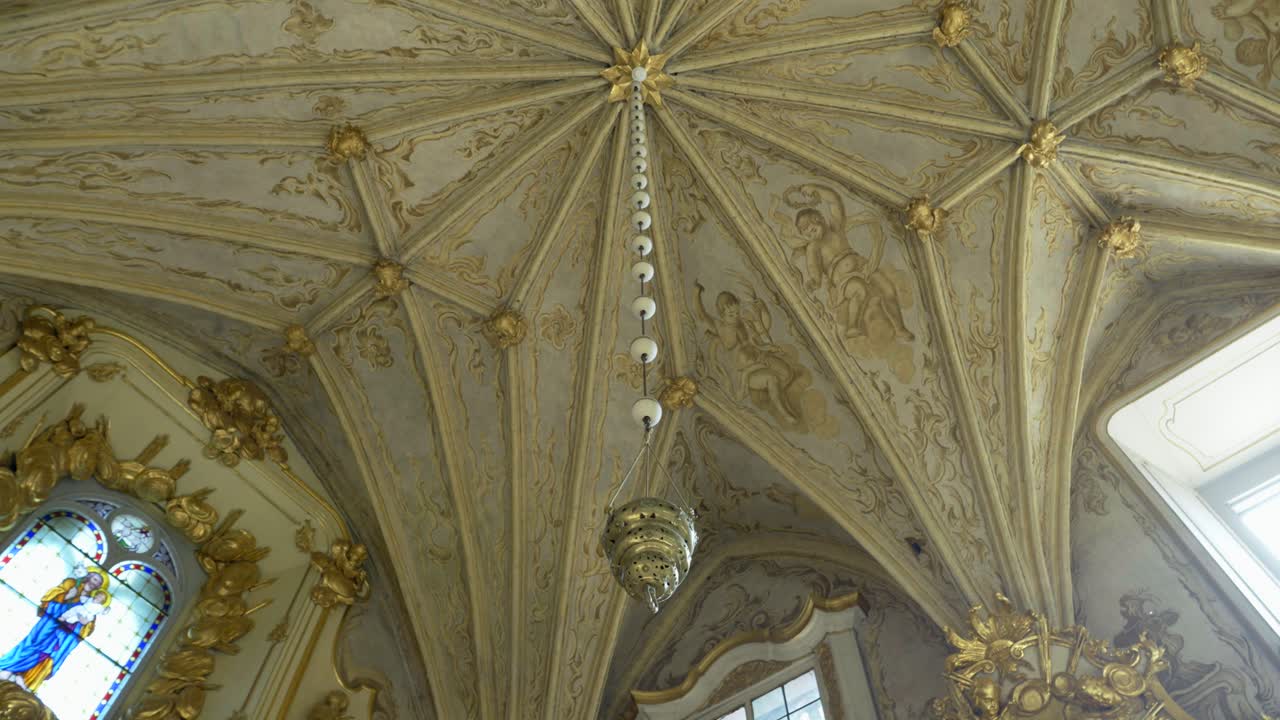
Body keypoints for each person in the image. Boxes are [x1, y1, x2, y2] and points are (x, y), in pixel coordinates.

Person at [773, 184, 913, 342]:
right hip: (842, 278)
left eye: (813, 230)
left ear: (821, 221)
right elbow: (814, 270)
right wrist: (813, 282)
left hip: (863, 265)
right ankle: (853, 327)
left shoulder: (836, 229)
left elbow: (835, 201)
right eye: (809, 235)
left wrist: (818, 189)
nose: (813, 236)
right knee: (859, 290)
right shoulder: (814, 247)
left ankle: (899, 328)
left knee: (888, 289)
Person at [0, 566, 111, 691]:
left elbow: (88, 627)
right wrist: (66, 596)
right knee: (33, 645)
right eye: (94, 579)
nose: (94, 584)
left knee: (47, 656)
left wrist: (84, 621)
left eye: (98, 583)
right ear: (88, 576)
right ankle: (8, 669)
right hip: (50, 623)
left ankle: (24, 679)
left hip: (64, 634)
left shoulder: (92, 603)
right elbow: (51, 597)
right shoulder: (71, 583)